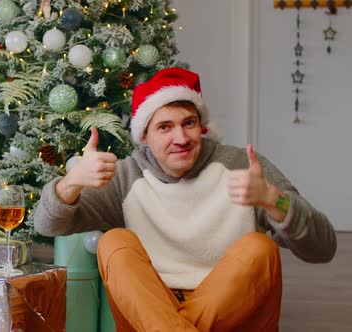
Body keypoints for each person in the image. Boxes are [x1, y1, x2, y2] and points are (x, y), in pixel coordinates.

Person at [33, 67, 337, 331]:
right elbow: (46, 224)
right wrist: (71, 181)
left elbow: (323, 247)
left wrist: (274, 200)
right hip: (151, 309)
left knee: (259, 248)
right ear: (144, 138)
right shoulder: (127, 177)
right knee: (115, 242)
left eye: (189, 123)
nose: (181, 138)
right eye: (164, 127)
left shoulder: (242, 165)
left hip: (236, 312)